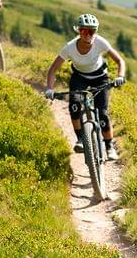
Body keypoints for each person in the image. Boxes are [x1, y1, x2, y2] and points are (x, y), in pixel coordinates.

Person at [45, 13, 125, 159]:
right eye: (84, 31)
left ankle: (109, 146)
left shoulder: (100, 42)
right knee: (74, 107)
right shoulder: (69, 47)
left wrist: (120, 76)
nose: (88, 34)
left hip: (100, 78)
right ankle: (81, 139)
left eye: (92, 31)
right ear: (79, 31)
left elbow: (119, 61)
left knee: (103, 114)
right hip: (79, 78)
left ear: (96, 32)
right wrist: (50, 88)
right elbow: (52, 70)